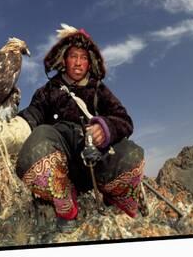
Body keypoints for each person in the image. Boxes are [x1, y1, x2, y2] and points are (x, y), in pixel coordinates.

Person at [14, 25, 145, 231]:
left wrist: (105, 130)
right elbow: (34, 113)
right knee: (38, 140)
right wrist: (14, 127)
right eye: (73, 56)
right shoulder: (47, 92)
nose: (78, 62)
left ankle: (112, 193)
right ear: (63, 60)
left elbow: (124, 119)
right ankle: (65, 204)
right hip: (62, 171)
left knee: (132, 154)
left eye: (83, 57)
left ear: (89, 62)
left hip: (97, 162)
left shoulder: (99, 90)